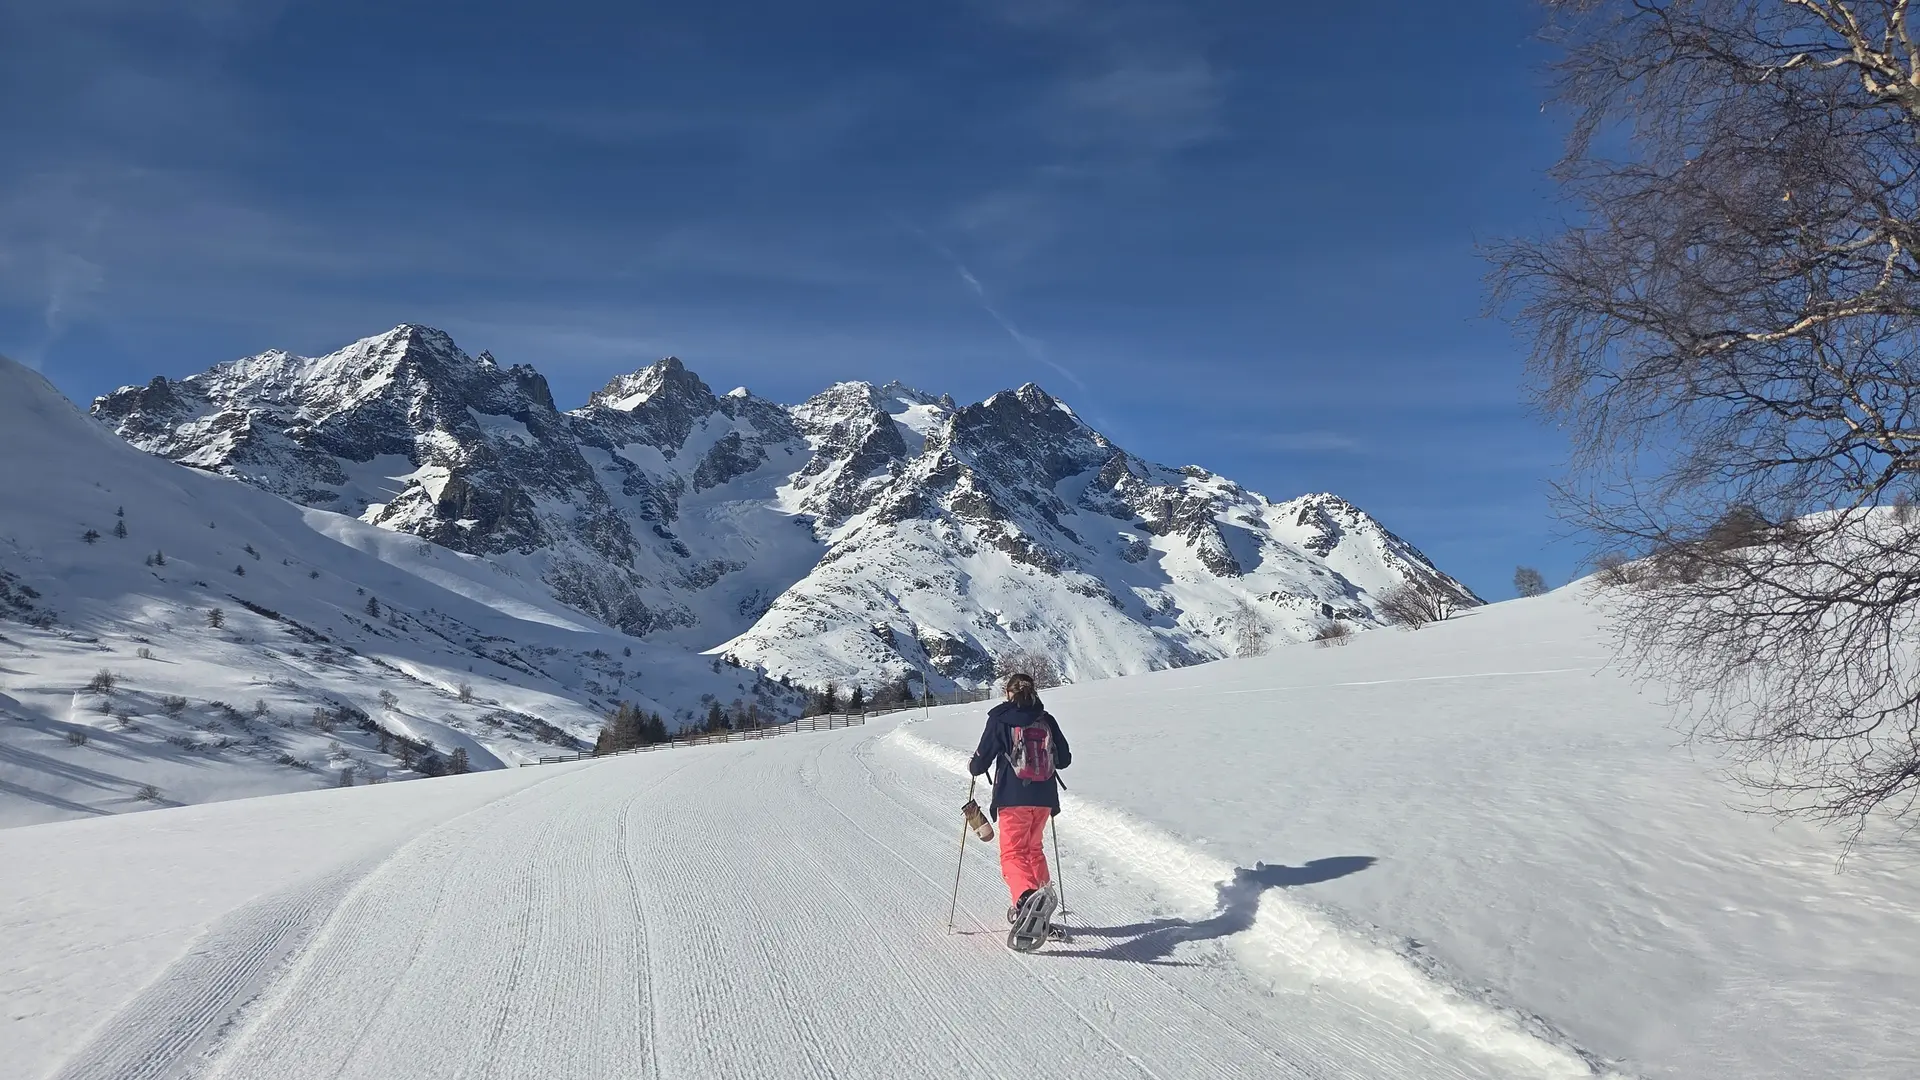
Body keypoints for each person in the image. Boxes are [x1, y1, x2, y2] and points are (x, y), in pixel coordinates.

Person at [968, 672, 1071, 927]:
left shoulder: (1000, 719)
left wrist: (974, 766)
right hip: (1045, 798)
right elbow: (1065, 759)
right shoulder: (1046, 718)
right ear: (1033, 691)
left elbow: (981, 762)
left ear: (1008, 693)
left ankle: (1026, 899)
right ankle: (1042, 900)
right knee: (1034, 850)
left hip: (1013, 797)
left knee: (1013, 853)